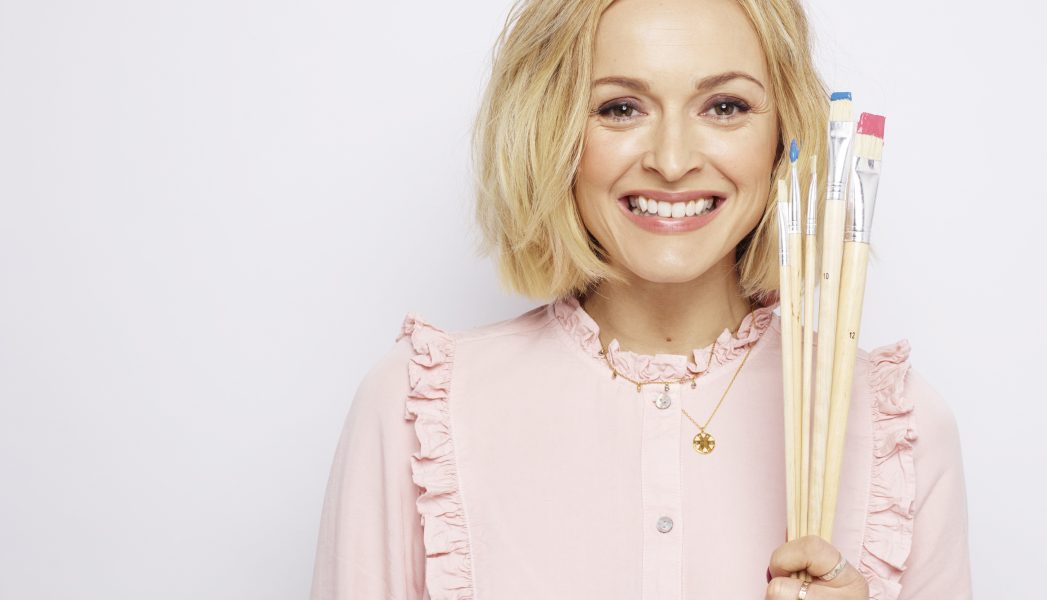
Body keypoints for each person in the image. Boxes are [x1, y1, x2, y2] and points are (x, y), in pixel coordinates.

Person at [309, 0, 973, 598]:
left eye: (725, 107)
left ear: (783, 137)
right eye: (620, 108)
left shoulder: (900, 429)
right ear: (552, 130)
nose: (674, 159)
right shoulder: (416, 411)